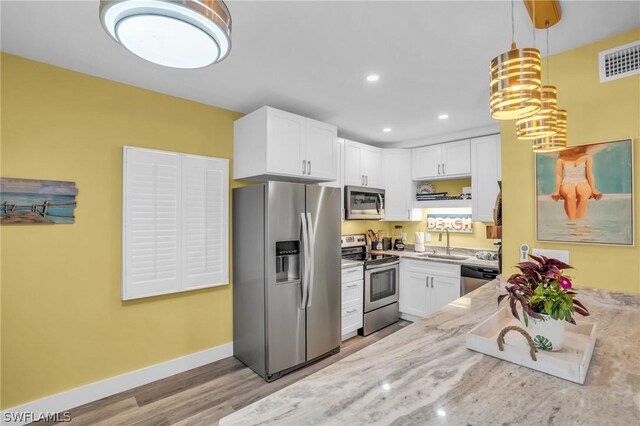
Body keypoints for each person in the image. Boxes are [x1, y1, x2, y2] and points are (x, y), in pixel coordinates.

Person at [550, 145, 602, 221]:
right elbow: (559, 176)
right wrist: (556, 191)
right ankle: (572, 223)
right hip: (567, 181)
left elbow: (589, 174)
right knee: (570, 195)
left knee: (584, 194)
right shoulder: (561, 159)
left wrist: (594, 189)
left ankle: (579, 225)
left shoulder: (587, 157)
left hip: (582, 181)